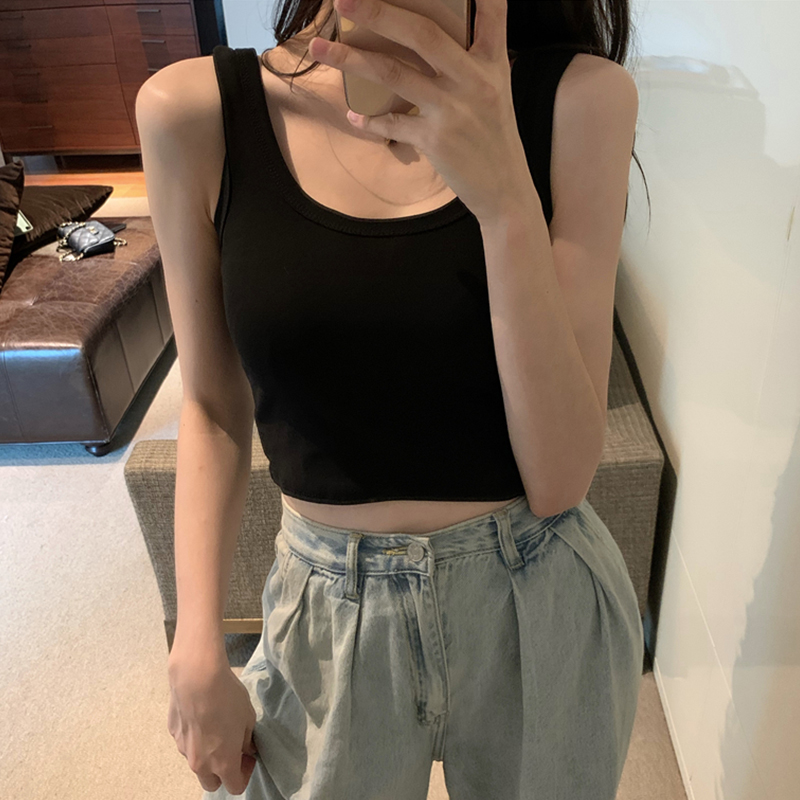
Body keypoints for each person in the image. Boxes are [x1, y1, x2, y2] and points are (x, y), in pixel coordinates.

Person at [136, 0, 649, 797]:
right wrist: (196, 641)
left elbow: (560, 480)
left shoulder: (581, 101)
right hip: (325, 606)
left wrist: (505, 197)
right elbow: (210, 406)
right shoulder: (193, 112)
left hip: (536, 590)